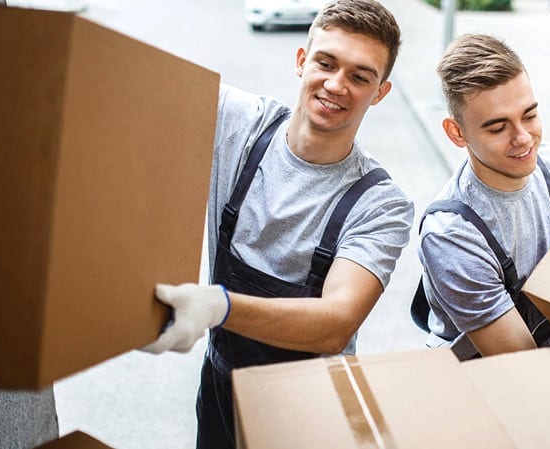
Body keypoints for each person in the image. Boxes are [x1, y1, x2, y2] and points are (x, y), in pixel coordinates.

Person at [139, 1, 413, 447]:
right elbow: (139, 81)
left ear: (380, 92)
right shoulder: (241, 125)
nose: (336, 85)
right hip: (221, 390)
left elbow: (335, 321)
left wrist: (217, 307)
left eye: (360, 76)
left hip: (310, 413)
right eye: (326, 63)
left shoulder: (380, 203)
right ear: (302, 61)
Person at [415, 33, 550, 359]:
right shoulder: (451, 234)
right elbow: (519, 360)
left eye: (529, 115)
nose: (523, 139)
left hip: (547, 352)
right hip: (486, 373)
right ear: (456, 133)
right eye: (497, 127)